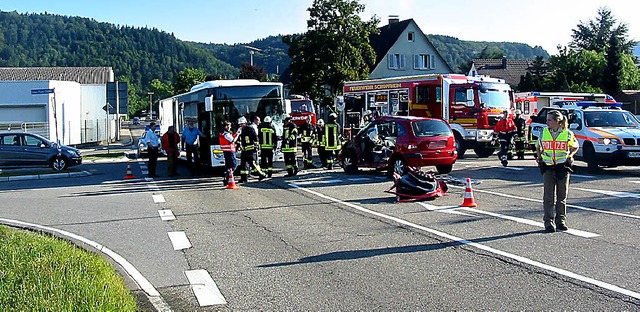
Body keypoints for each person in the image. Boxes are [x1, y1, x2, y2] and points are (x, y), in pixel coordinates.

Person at [536, 110, 579, 233]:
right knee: (548, 197)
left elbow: (575, 146)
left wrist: (571, 155)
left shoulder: (567, 133)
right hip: (548, 167)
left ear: (557, 121)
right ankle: (548, 222)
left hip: (562, 167)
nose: (547, 122)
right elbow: (538, 145)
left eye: (549, 120)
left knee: (562, 196)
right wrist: (539, 157)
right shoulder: (544, 132)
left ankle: (561, 221)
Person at [238, 116, 266, 183]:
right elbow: (241, 140)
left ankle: (262, 174)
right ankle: (244, 178)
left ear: (245, 123)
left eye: (241, 124)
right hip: (244, 150)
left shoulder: (250, 129)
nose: (240, 125)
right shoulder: (242, 130)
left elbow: (256, 138)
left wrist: (256, 146)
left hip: (251, 150)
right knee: (243, 165)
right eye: (240, 124)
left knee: (253, 164)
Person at [219, 120, 239, 186]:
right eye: (229, 126)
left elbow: (231, 138)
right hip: (230, 151)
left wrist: (235, 134)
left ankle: (226, 178)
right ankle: (228, 174)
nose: (230, 127)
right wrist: (238, 135)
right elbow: (233, 140)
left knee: (228, 165)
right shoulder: (226, 134)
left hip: (226, 151)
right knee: (234, 165)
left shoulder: (222, 133)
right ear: (226, 126)